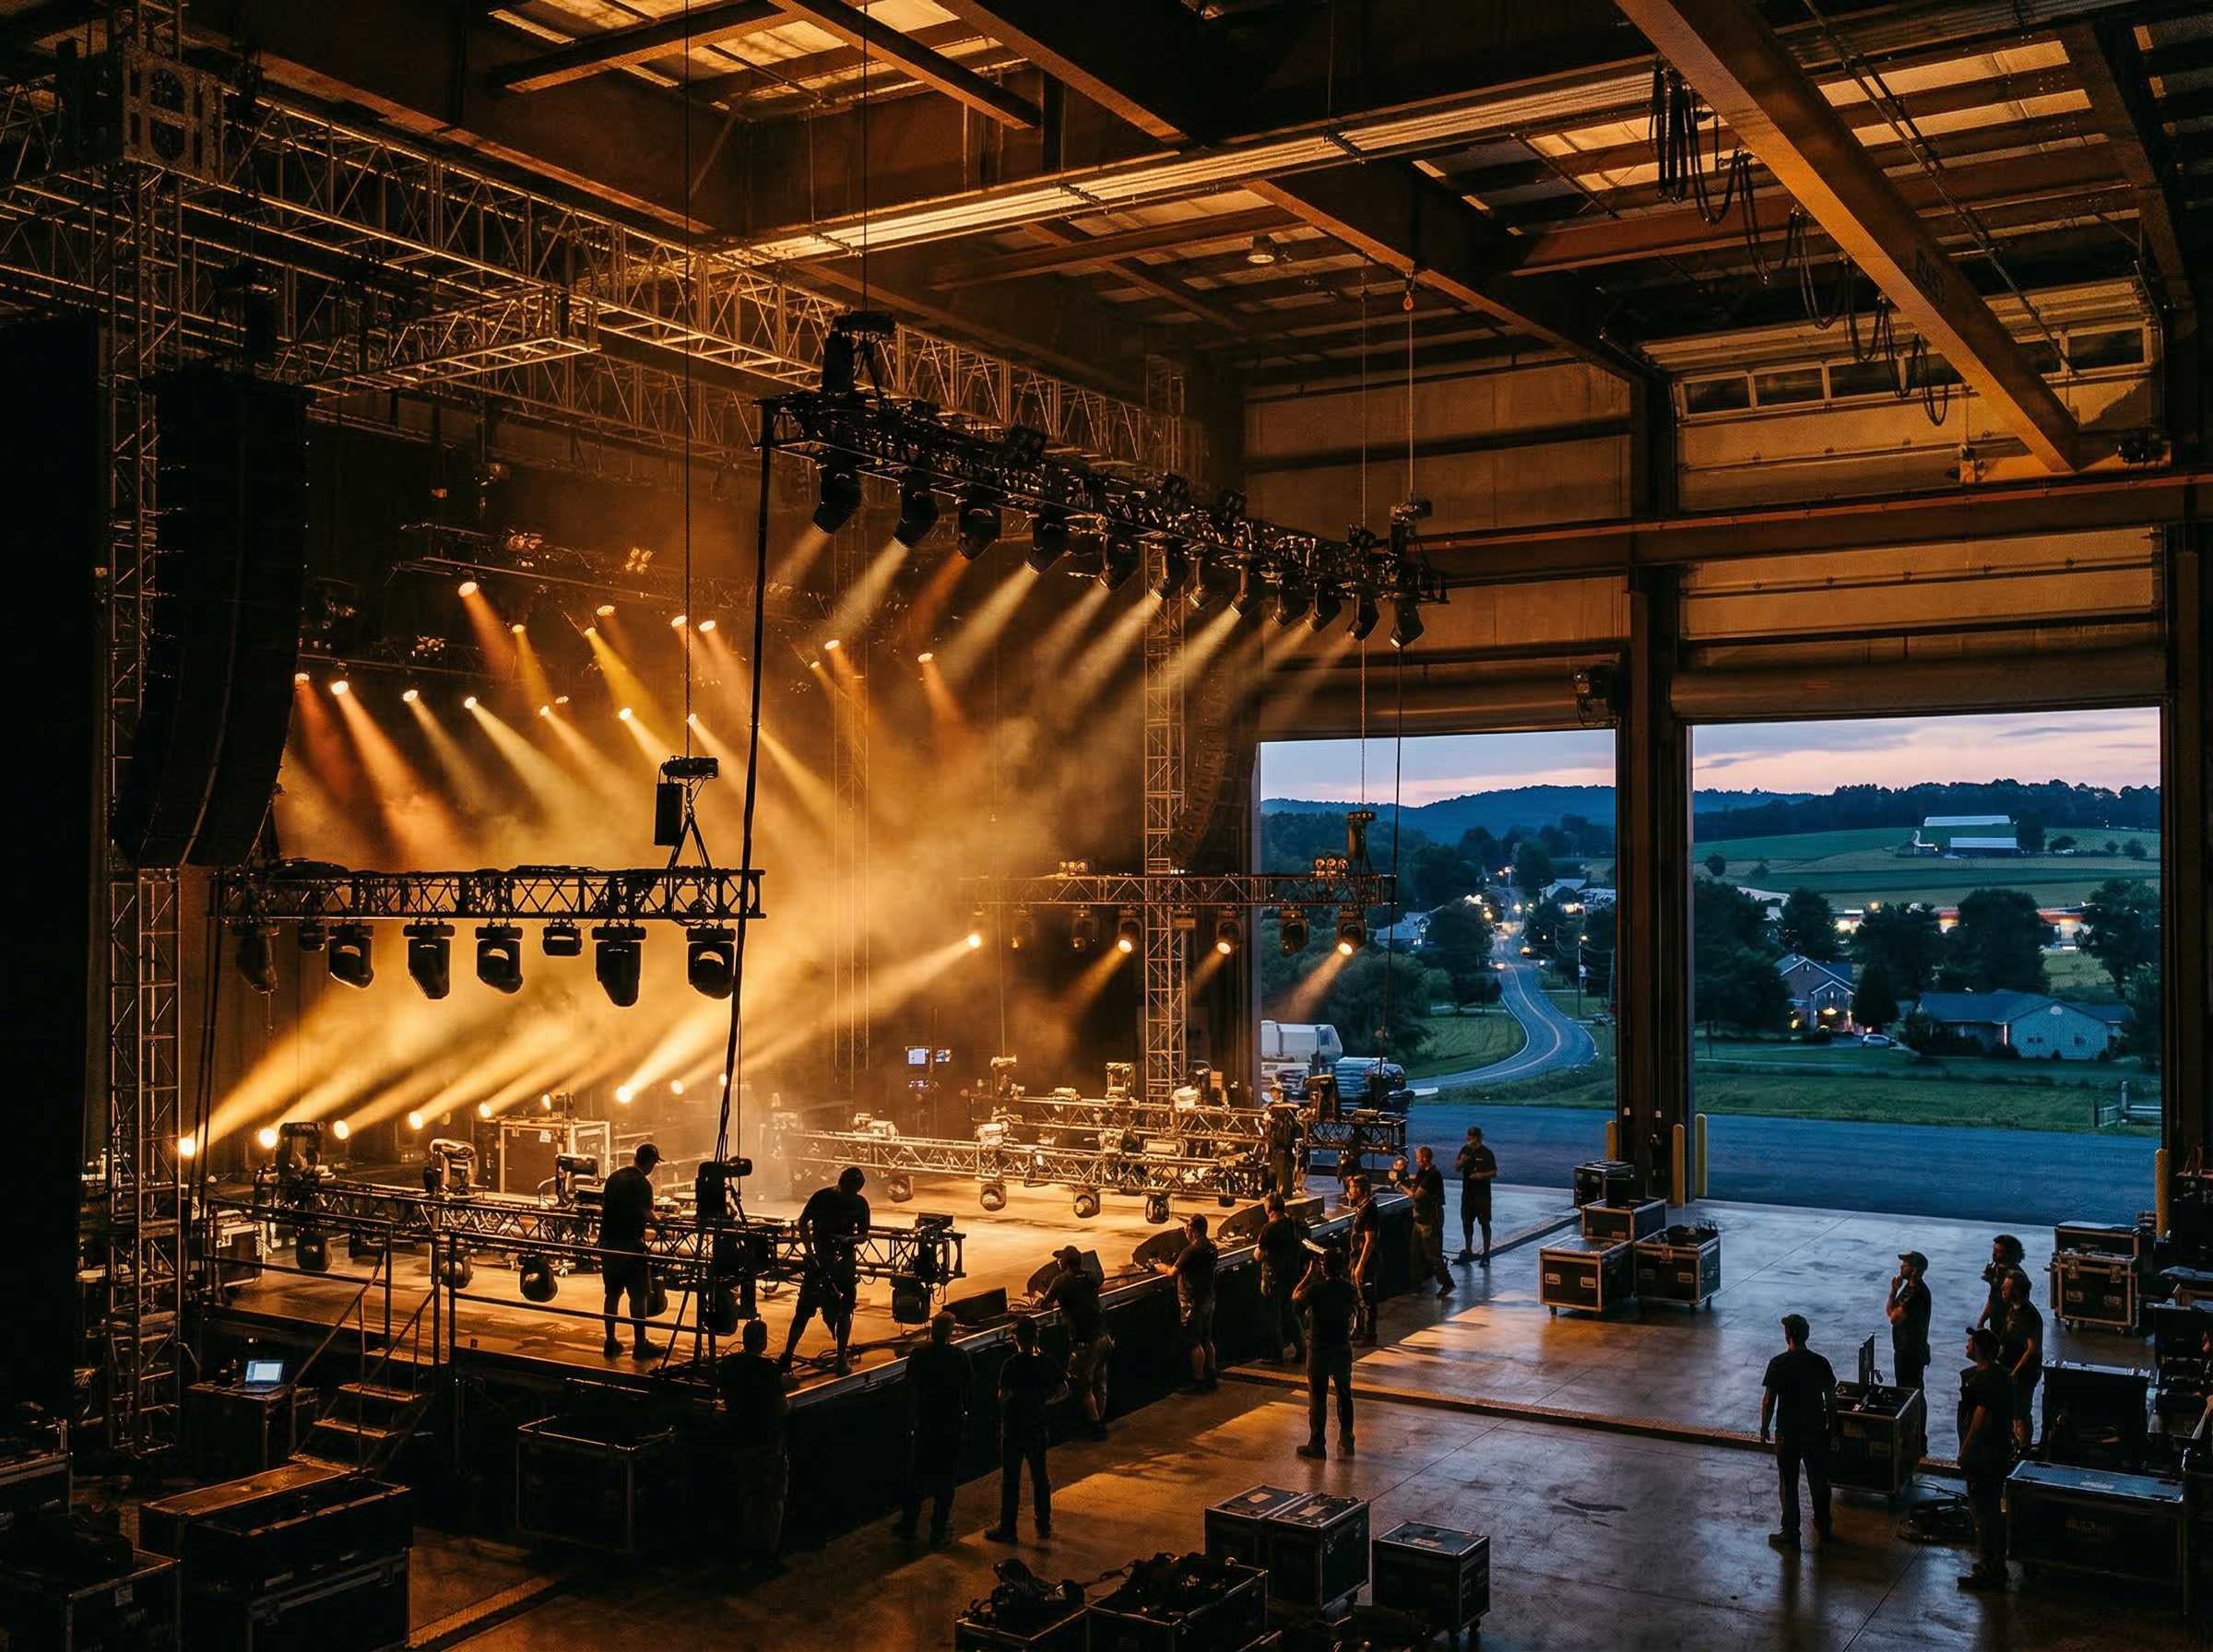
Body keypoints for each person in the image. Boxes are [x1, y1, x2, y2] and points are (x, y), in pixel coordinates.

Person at [779, 1165, 870, 1376]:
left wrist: (847, 1239)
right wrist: (809, 1251)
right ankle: (787, 1355)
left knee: (845, 1308)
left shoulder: (859, 1204)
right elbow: (802, 1222)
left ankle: (841, 1358)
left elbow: (863, 1235)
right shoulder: (822, 1196)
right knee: (803, 1310)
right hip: (819, 1262)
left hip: (843, 1263)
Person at [716, 1317, 788, 1571]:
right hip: (765, 1441)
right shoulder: (769, 1370)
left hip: (739, 1438)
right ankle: (767, 1554)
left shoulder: (728, 1365)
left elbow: (723, 1396)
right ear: (763, 1342)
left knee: (746, 1495)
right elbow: (782, 1408)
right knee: (771, 1500)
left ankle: (745, 1547)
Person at [1758, 1313, 1836, 1552]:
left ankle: (1791, 1533)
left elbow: (1769, 1400)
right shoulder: (1820, 1362)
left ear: (1789, 1335)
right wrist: (1832, 1429)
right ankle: (1823, 1527)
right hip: (1815, 1430)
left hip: (1788, 1432)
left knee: (1788, 1481)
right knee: (1819, 1480)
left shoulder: (1778, 1363)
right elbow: (1831, 1401)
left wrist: (1764, 1426)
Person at [986, 1316, 1065, 1543]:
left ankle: (1008, 1528)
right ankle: (1044, 1524)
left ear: (1015, 1338)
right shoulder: (1047, 1362)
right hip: (1037, 1425)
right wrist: (1044, 1401)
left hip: (1013, 1429)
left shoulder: (1011, 1364)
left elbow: (1004, 1395)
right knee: (1040, 1476)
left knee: (1011, 1480)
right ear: (1036, 1337)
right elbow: (1063, 1388)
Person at [895, 1311, 972, 1543]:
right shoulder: (959, 1356)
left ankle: (909, 1525)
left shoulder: (919, 1354)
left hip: (925, 1422)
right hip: (950, 1424)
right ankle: (938, 1528)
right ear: (951, 1331)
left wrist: (909, 1419)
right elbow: (968, 1387)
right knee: (945, 1478)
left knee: (917, 1476)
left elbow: (909, 1387)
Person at [1958, 1327, 2016, 1591]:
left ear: (1979, 1348)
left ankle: (1987, 1570)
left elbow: (1981, 1419)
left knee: (1981, 1513)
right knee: (1992, 1511)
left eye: (1971, 1342)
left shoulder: (1981, 1382)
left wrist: (1966, 1449)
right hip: (1999, 1453)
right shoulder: (2001, 1376)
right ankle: (1996, 1566)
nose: (1967, 1345)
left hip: (1983, 1457)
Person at [1293, 1243, 1357, 1460]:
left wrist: (1308, 1275)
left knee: (1318, 1397)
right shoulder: (1348, 1289)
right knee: (1344, 1394)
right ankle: (1347, 1440)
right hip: (1341, 1348)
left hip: (1319, 1349)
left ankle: (1317, 1444)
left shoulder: (1315, 1290)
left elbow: (1295, 1300)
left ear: (1322, 1268)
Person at [598, 1142, 661, 1360]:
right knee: (638, 1296)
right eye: (654, 1163)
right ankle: (640, 1344)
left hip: (608, 1244)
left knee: (612, 1294)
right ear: (650, 1161)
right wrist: (662, 1222)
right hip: (631, 1246)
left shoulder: (613, 1178)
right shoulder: (643, 1184)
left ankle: (610, 1341)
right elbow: (647, 1215)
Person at [1038, 1246, 1110, 1436]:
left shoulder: (1061, 1280)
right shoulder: (1090, 1276)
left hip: (1084, 1341)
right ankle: (1100, 1420)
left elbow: (1044, 1304)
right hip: (1103, 1337)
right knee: (1100, 1383)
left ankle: (1095, 1427)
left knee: (1083, 1386)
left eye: (1060, 1260)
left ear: (1064, 1263)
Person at [1156, 1212, 1220, 1391]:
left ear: (1194, 1230)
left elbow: (1173, 1273)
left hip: (1193, 1302)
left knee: (1194, 1342)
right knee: (1207, 1339)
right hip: (1209, 1297)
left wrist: (1161, 1267)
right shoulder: (1212, 1247)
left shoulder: (1190, 1251)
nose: (1185, 1230)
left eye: (1188, 1227)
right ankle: (1212, 1374)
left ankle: (1198, 1380)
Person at [1257, 1193, 1309, 1365]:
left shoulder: (1269, 1228)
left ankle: (1276, 1355)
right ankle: (1301, 1350)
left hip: (1273, 1277)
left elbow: (1258, 1254)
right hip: (1291, 1275)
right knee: (1291, 1313)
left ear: (1268, 1209)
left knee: (1274, 1317)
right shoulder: (1292, 1223)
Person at [1998, 1269, 2044, 1453]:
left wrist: (2015, 1372)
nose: (2002, 1290)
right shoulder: (2013, 1309)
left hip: (2023, 1373)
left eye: (2006, 1288)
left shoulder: (2029, 1315)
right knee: (2014, 1412)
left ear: (2017, 1291)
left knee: (2021, 1414)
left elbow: (2032, 1348)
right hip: (2010, 1370)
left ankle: (2023, 1450)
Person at [1408, 1146, 1453, 1297]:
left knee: (1433, 1254)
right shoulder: (1423, 1172)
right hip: (1420, 1218)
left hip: (1430, 1219)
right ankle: (1415, 1285)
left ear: (1425, 1158)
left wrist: (1400, 1186)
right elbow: (1416, 1183)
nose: (1417, 1161)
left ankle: (1447, 1283)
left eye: (1418, 1158)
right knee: (1415, 1252)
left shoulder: (1433, 1175)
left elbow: (1416, 1196)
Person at [1886, 1251, 1933, 1394]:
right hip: (1906, 1351)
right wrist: (1894, 1290)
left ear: (1913, 1270)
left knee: (1910, 1391)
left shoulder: (1915, 1294)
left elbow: (1893, 1318)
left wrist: (1894, 1294)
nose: (1901, 1267)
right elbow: (1891, 1312)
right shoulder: (1910, 1288)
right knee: (1906, 1389)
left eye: (1905, 1265)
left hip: (1910, 1353)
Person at [1453, 1127, 1497, 1265]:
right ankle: (1468, 1250)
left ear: (1478, 1138)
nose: (1469, 1141)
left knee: (1484, 1222)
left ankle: (1486, 1253)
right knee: (1467, 1222)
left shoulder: (1487, 1153)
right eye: (1468, 1138)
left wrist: (1481, 1176)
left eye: (1471, 1138)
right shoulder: (1465, 1150)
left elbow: (1494, 1172)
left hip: (1482, 1194)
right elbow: (1456, 1167)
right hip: (1468, 1192)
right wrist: (1462, 1161)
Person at [1348, 1176, 1380, 1346]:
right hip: (1355, 1257)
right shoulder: (1361, 1208)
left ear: (1360, 1189)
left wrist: (1361, 1264)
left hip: (1364, 1260)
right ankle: (1358, 1328)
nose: (1350, 1190)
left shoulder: (1369, 1210)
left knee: (1366, 1298)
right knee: (1357, 1297)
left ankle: (1370, 1334)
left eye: (1352, 1187)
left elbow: (1369, 1240)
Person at [1976, 1234, 2029, 1332]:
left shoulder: (2016, 1277)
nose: (1994, 1254)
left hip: (2011, 1330)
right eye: (1994, 1250)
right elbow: (1993, 1297)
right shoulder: (1997, 1269)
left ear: (2009, 1254)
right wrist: (1982, 1320)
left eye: (1998, 1251)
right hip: (1996, 1325)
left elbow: (2022, 1308)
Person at [1265, 1105, 1304, 1198]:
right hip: (1279, 1153)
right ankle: (1278, 1193)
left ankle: (1282, 1194)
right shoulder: (1276, 1124)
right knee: (1277, 1174)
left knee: (1283, 1175)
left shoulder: (1288, 1126)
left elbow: (1284, 1140)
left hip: (1283, 1154)